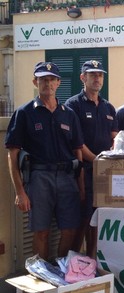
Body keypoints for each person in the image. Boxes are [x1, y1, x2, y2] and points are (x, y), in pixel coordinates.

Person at [4, 62, 84, 262]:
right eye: (43, 79)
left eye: (51, 79)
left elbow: (78, 152)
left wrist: (80, 186)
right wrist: (20, 192)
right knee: (41, 232)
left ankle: (61, 271)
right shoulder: (24, 113)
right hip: (39, 179)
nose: (47, 83)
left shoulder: (69, 114)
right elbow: (12, 155)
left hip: (67, 178)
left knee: (70, 230)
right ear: (35, 82)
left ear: (58, 83)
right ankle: (43, 277)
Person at [65, 60, 118, 258]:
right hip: (83, 172)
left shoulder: (108, 107)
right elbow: (77, 144)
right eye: (92, 74)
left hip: (105, 173)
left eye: (100, 75)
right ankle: (73, 263)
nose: (97, 78)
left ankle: (92, 261)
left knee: (99, 219)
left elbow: (115, 138)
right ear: (83, 78)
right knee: (82, 221)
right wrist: (98, 160)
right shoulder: (73, 105)